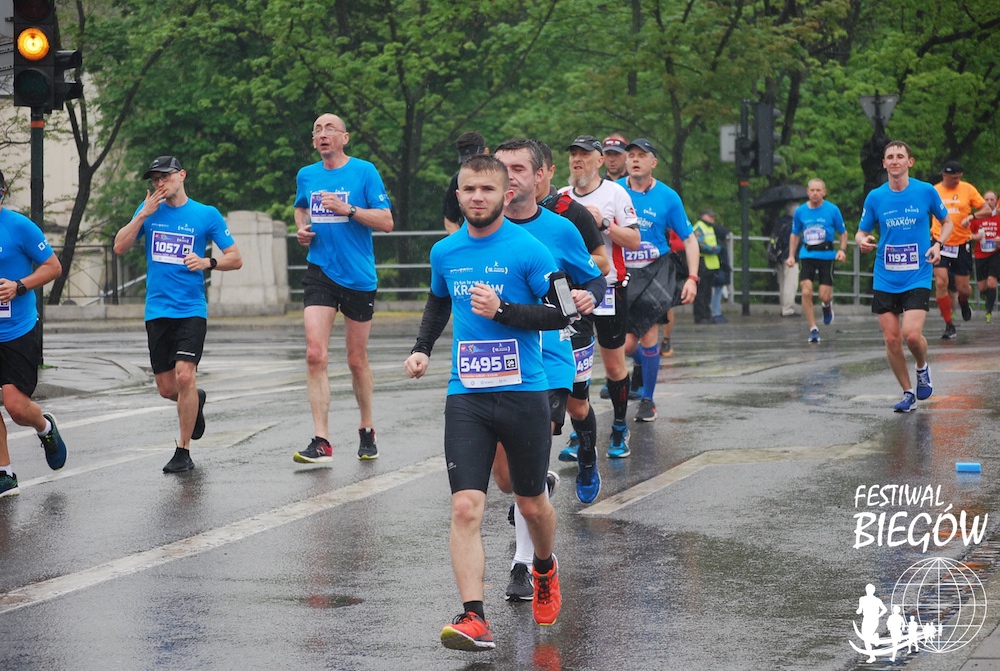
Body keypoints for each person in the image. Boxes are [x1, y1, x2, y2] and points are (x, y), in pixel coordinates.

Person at [405, 155, 581, 650]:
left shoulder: (530, 249)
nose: (477, 197)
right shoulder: (445, 251)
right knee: (465, 507)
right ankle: (474, 617)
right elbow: (439, 300)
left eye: (487, 189)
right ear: (458, 196)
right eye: (469, 189)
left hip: (524, 393)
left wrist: (503, 310)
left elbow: (566, 313)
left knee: (530, 503)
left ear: (506, 195)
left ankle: (543, 567)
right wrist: (422, 348)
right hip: (466, 395)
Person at [493, 138, 603, 598]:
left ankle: (524, 565)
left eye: (518, 168)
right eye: (501, 168)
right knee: (506, 479)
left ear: (539, 175)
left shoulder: (561, 228)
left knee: (529, 461)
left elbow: (594, 275)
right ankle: (541, 482)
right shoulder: (479, 227)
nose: (508, 176)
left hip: (550, 358)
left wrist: (588, 294)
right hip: (496, 360)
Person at [113, 156, 243, 473]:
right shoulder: (149, 212)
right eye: (154, 179)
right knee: (168, 389)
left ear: (181, 175)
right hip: (157, 310)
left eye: (165, 176)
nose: (159, 183)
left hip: (191, 309)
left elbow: (236, 258)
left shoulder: (206, 214)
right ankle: (195, 399)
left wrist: (207, 262)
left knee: (185, 375)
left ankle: (183, 451)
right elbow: (119, 247)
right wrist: (142, 215)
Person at [292, 114, 394, 463]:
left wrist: (347, 209)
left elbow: (386, 221)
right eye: (317, 130)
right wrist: (302, 229)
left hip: (358, 275)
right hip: (320, 270)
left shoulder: (364, 171)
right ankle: (322, 440)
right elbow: (301, 208)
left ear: (344, 137)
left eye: (329, 129)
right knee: (314, 354)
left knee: (355, 358)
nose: (322, 134)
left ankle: (367, 427)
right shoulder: (307, 175)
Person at [856, 140, 951, 412]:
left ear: (910, 162)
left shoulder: (925, 191)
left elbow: (947, 222)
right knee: (891, 339)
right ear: (884, 164)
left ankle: (922, 367)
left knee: (910, 335)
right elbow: (861, 231)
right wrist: (861, 241)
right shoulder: (876, 197)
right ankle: (908, 392)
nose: (895, 160)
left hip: (917, 273)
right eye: (890, 157)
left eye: (900, 156)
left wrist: (938, 245)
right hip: (885, 275)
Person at [560, 135, 641, 458]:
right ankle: (579, 433)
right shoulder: (562, 197)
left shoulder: (615, 193)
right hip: (573, 292)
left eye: (584, 155)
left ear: (599, 160)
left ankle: (619, 427)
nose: (577, 160)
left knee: (613, 364)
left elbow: (634, 240)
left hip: (609, 288)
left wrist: (604, 223)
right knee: (575, 366)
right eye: (573, 155)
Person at [619, 138, 699, 422]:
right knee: (626, 345)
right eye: (631, 155)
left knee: (650, 333)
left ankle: (648, 401)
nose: (635, 159)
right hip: (624, 272)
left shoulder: (668, 197)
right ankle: (646, 363)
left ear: (653, 162)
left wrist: (692, 278)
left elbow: (689, 239)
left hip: (656, 269)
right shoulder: (614, 191)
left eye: (642, 155)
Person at [0, 170, 68, 497]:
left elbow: (53, 267)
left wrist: (19, 286)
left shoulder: (19, 227)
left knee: (15, 406)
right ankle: (5, 472)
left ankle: (44, 426)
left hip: (17, 329)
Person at [932, 160, 991, 339]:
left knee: (963, 289)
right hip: (940, 241)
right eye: (954, 178)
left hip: (961, 243)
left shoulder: (968, 189)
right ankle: (949, 324)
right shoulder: (934, 191)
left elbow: (987, 210)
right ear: (944, 175)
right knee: (941, 282)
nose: (957, 181)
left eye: (959, 178)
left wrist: (972, 216)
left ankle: (963, 301)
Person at [787, 179, 847, 343]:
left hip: (827, 256)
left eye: (818, 190)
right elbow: (795, 234)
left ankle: (827, 305)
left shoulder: (832, 210)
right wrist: (791, 255)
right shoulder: (800, 211)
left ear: (824, 192)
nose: (815, 193)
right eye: (812, 190)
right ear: (808, 192)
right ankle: (813, 328)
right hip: (807, 255)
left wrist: (842, 250)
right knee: (806, 292)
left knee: (824, 295)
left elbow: (843, 232)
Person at [443, 131, 489, 234]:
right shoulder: (458, 179)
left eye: (476, 160)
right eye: (466, 162)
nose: (472, 166)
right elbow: (450, 220)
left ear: (486, 152)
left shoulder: (502, 177)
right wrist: (462, 241)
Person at [970, 207, 1000, 322]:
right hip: (980, 255)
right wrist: (975, 236)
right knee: (982, 287)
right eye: (987, 199)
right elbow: (967, 234)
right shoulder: (976, 218)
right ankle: (990, 301)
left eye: (992, 199)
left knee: (991, 282)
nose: (989, 201)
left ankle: (989, 312)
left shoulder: (998, 218)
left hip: (995, 254)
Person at [769, 203, 799, 316]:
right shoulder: (793, 224)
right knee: (791, 284)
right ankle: (788, 309)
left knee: (782, 283)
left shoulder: (780, 222)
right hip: (790, 257)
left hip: (779, 257)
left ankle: (784, 306)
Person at [692, 209, 721, 324]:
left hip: (710, 264)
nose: (712, 219)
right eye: (710, 216)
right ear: (703, 216)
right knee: (701, 291)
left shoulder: (709, 228)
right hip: (702, 262)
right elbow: (700, 244)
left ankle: (707, 314)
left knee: (707, 291)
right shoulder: (699, 227)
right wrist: (712, 249)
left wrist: (715, 248)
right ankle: (700, 316)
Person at [855, 583, 886, 663]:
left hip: (870, 620)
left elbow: (884, 609)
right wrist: (878, 616)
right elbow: (860, 609)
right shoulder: (869, 599)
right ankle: (872, 656)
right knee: (866, 639)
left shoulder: (868, 599)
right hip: (869, 619)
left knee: (866, 639)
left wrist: (878, 616)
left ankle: (875, 638)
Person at [710, 219, 732, 323]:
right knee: (717, 292)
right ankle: (716, 312)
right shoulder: (720, 244)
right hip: (720, 270)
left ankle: (716, 312)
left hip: (719, 269)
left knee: (718, 292)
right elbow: (722, 257)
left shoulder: (717, 242)